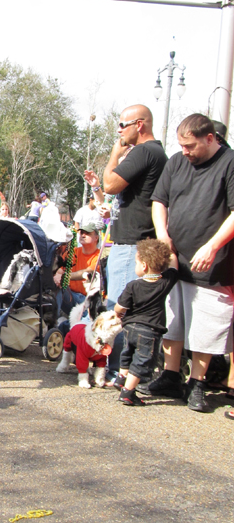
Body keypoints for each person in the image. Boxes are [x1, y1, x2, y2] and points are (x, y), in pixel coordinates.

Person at [151, 114, 234, 412]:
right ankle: (171, 375)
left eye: (190, 145)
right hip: (177, 257)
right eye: (181, 145)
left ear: (210, 138)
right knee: (173, 319)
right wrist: (163, 236)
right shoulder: (176, 161)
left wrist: (213, 246)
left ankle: (197, 383)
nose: (184, 151)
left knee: (205, 324)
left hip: (212, 262)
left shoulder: (229, 163)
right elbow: (159, 200)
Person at [101, 104, 167, 381]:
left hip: (131, 243)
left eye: (122, 125)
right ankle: (127, 369)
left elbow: (110, 184)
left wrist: (115, 153)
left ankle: (118, 369)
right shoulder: (157, 152)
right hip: (136, 240)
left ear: (140, 125)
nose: (118, 131)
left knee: (119, 308)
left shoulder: (144, 151)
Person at [114, 240, 179, 405]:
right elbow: (174, 267)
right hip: (150, 330)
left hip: (130, 327)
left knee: (127, 352)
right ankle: (127, 392)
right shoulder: (165, 282)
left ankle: (122, 377)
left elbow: (120, 306)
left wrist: (118, 314)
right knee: (142, 361)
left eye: (136, 263)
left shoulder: (133, 285)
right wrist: (168, 250)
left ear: (144, 266)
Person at [54, 224, 101, 320]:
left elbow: (88, 272)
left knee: (60, 288)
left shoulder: (99, 256)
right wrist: (58, 273)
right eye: (82, 233)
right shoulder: (73, 252)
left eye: (87, 233)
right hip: (70, 294)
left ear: (96, 237)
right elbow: (58, 265)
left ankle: (53, 322)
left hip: (86, 300)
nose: (83, 235)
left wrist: (63, 276)